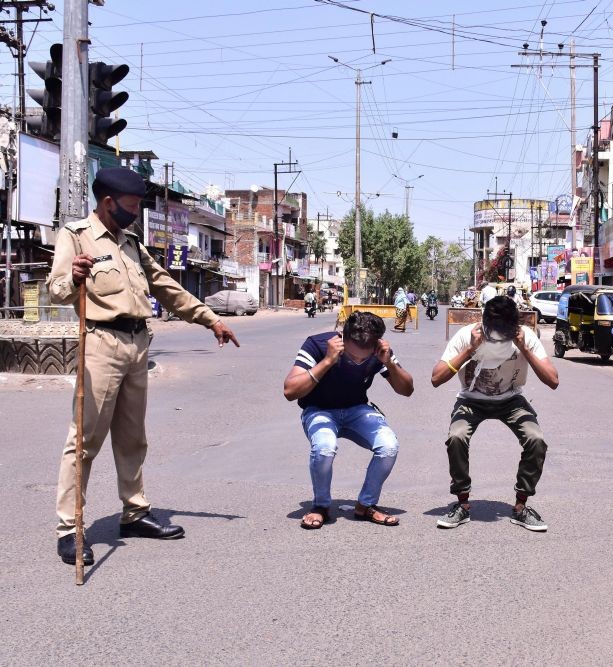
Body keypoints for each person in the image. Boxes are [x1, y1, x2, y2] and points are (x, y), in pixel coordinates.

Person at [46, 167, 240, 566]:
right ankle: (70, 528)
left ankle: (134, 512)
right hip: (100, 343)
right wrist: (74, 277)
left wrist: (211, 319)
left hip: (138, 345)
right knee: (83, 441)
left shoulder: (132, 241)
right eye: (131, 207)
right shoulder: (76, 235)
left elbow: (165, 286)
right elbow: (57, 287)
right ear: (107, 203)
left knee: (133, 438)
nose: (135, 214)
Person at [431, 295, 559, 531]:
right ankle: (462, 505)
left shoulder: (524, 336)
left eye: (505, 331)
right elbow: (436, 378)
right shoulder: (468, 335)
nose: (499, 336)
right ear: (484, 322)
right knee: (457, 437)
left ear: (514, 326)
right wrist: (470, 349)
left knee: (536, 440)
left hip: (511, 399)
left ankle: (521, 507)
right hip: (471, 400)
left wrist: (524, 349)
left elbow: (552, 380)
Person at [283, 311, 414, 528]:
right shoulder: (317, 345)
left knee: (389, 445)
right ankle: (321, 506)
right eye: (352, 357)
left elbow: (407, 390)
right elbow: (290, 390)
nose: (358, 362)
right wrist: (327, 361)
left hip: (357, 410)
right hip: (319, 410)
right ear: (342, 338)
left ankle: (366, 505)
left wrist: (389, 363)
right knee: (324, 446)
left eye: (364, 358)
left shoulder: (379, 351)